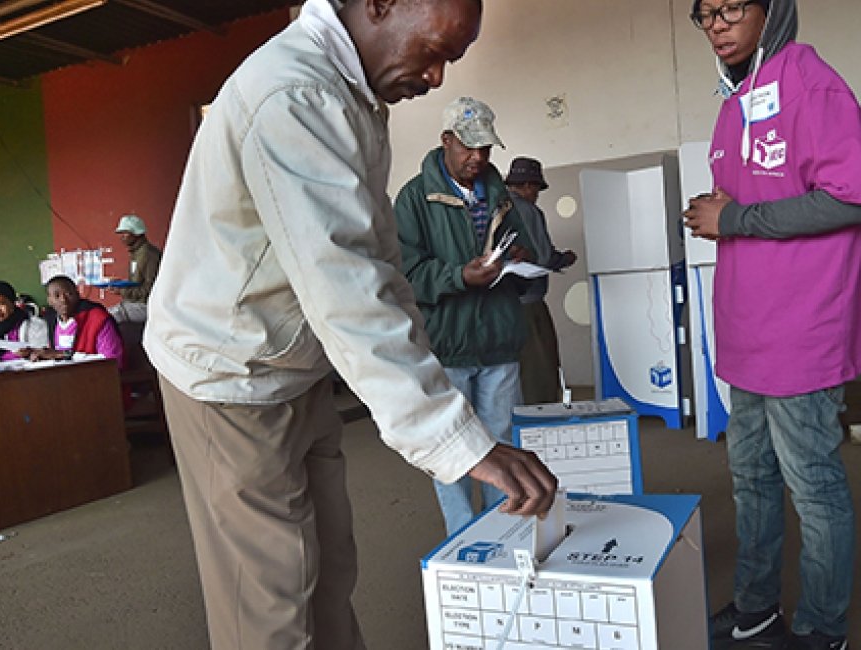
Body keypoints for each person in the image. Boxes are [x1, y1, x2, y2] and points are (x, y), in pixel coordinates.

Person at [143, 1, 557, 647]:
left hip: (293, 362)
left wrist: (451, 422)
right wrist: (456, 440)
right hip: (233, 377)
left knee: (329, 570)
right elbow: (346, 290)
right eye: (437, 50)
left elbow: (379, 270)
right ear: (380, 5)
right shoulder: (296, 94)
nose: (438, 76)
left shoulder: (352, 95)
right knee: (273, 603)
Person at [682, 1, 861, 649]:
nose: (716, 21)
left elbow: (850, 197)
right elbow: (753, 200)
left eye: (731, 6)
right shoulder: (734, 100)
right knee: (752, 478)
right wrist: (722, 215)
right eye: (704, 12)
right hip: (748, 335)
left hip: (802, 332)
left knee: (813, 486)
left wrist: (734, 220)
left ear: (772, 10)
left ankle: (823, 631)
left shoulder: (809, 83)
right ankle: (756, 607)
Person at [394, 96, 533, 535]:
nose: (478, 158)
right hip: (447, 346)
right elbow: (407, 274)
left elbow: (521, 253)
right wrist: (459, 276)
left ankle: (502, 530)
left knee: (500, 442)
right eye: (468, 147)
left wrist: (523, 262)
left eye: (486, 149)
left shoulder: (502, 197)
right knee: (452, 447)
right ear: (446, 141)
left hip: (499, 341)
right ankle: (464, 535)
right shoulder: (415, 199)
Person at [504, 156, 577, 405]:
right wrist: (562, 259)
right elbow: (542, 256)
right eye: (536, 189)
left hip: (499, 302)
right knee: (540, 367)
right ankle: (540, 420)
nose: (536, 195)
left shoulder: (494, 205)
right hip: (528, 303)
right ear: (528, 186)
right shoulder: (527, 210)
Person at [29, 275, 125, 368]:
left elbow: (113, 360)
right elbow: (56, 357)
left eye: (69, 294)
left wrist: (63, 355)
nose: (63, 300)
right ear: (49, 300)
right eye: (57, 296)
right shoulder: (52, 321)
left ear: (77, 295)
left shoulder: (97, 318)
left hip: (94, 379)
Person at [106, 214, 161, 324]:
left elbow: (150, 290)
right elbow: (138, 283)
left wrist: (122, 290)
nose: (122, 236)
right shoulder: (136, 252)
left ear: (137, 233)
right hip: (134, 303)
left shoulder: (147, 254)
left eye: (125, 232)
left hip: (146, 306)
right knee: (102, 315)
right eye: (120, 233)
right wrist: (120, 284)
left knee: (108, 317)